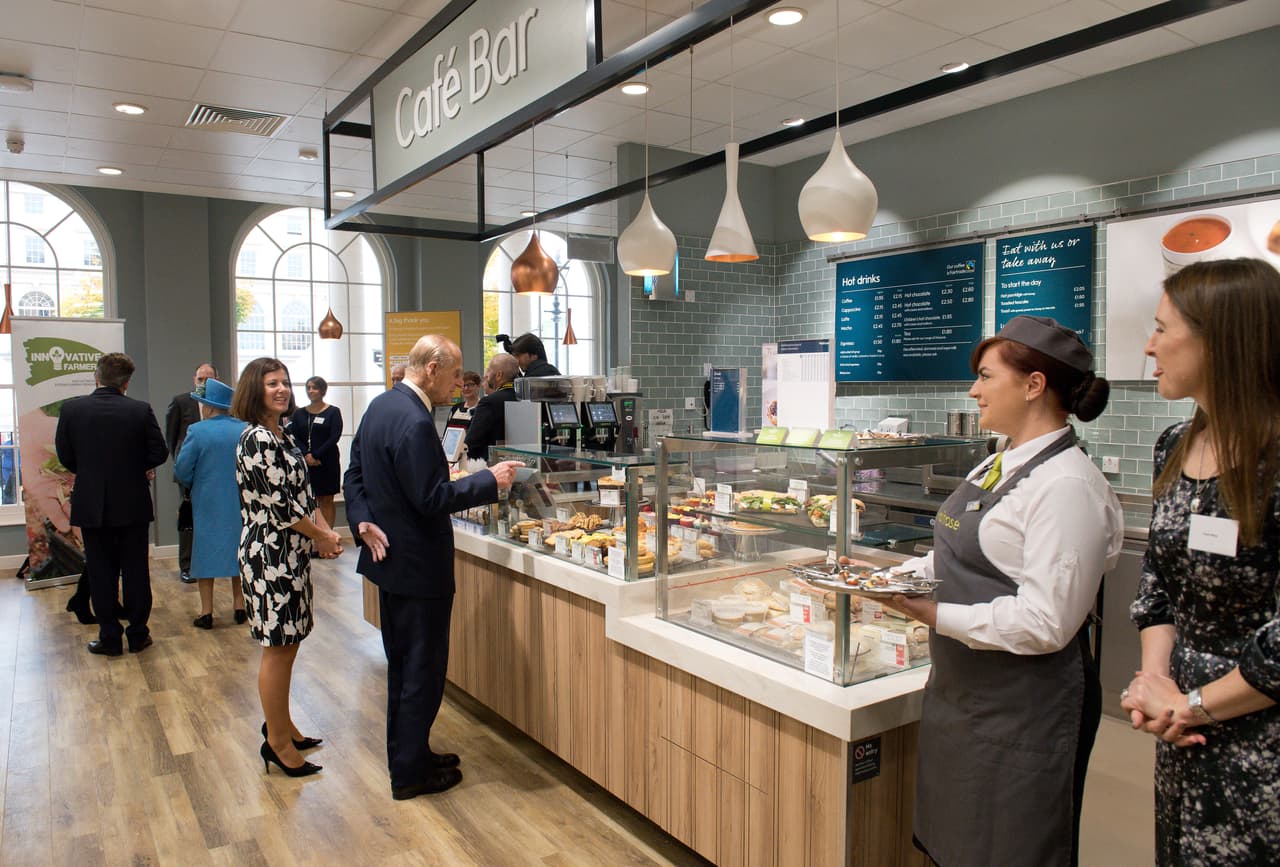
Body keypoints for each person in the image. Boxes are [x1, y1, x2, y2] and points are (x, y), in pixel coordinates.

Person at [891, 315, 1123, 866]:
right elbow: (960, 553)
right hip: (964, 691)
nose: (974, 391)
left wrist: (934, 614)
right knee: (956, 843)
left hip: (1026, 708)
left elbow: (1046, 622)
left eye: (986, 376)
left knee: (1012, 848)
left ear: (1033, 384)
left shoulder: (1067, 485)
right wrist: (893, 578)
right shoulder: (997, 462)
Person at [1122, 258, 1280, 865]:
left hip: (1256, 735)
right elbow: (1157, 584)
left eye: (1163, 329)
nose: (1149, 346)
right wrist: (1154, 684)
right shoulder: (1174, 444)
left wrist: (1191, 704)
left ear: (1222, 340)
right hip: (1180, 726)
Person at [343, 335, 520, 800]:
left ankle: (411, 754)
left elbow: (353, 473)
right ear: (433, 368)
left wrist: (361, 518)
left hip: (389, 565)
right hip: (419, 568)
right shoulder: (416, 422)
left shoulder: (381, 406)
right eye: (456, 373)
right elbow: (431, 498)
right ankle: (410, 775)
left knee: (403, 668)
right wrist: (489, 481)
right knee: (421, 671)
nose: (460, 383)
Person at [232, 357, 343, 777]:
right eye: (271, 383)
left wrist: (325, 530)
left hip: (291, 554)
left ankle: (283, 725)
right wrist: (322, 537)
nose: (281, 389)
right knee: (277, 648)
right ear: (254, 390)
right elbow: (281, 508)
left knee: (290, 642)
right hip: (269, 555)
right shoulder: (256, 439)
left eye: (284, 382)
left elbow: (304, 495)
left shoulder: (283, 433)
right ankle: (276, 742)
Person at [54, 352, 169, 656]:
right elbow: (159, 452)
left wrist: (90, 472)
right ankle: (138, 634)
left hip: (91, 503)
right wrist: (134, 468)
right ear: (126, 383)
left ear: (96, 378)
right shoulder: (140, 410)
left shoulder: (72, 410)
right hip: (133, 503)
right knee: (136, 572)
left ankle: (109, 638)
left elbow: (65, 455)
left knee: (100, 573)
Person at [173, 378, 247, 629]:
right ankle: (240, 606)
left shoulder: (197, 431)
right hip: (240, 501)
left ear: (209, 406)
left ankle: (206, 612)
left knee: (204, 554)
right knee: (238, 550)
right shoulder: (245, 429)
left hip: (207, 501)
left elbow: (182, 469)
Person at [166, 362, 217, 583]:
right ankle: (187, 566)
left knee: (214, 518)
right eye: (200, 379)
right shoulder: (181, 402)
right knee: (189, 519)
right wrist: (182, 465)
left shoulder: (222, 405)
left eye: (209, 379)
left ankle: (212, 563)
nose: (204, 383)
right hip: (189, 473)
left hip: (215, 472)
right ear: (194, 380)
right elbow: (171, 439)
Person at [291, 376, 343, 531]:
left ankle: (328, 536)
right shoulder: (299, 413)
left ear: (323, 390)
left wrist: (316, 455)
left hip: (327, 461)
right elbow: (294, 436)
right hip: (305, 462)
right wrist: (307, 455)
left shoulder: (333, 412)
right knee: (309, 499)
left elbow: (334, 436)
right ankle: (315, 536)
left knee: (326, 499)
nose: (311, 391)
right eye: (308, 388)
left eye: (314, 388)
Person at [465, 353, 519, 461]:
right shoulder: (526, 399)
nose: (486, 375)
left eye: (488, 371)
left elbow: (471, 442)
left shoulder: (489, 402)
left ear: (499, 375)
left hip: (491, 463)